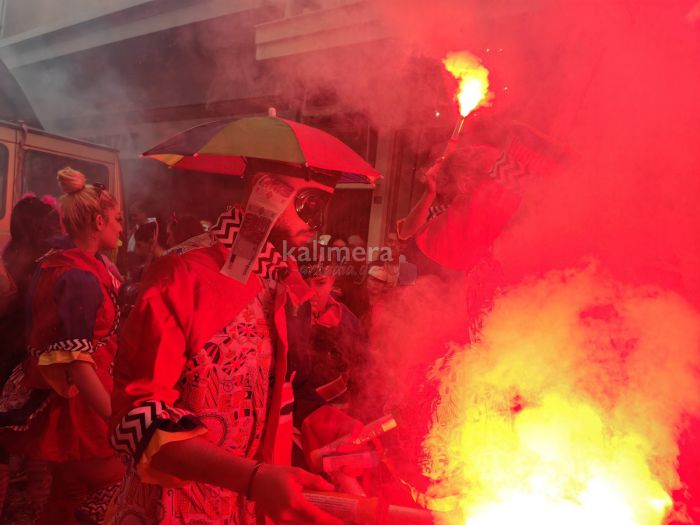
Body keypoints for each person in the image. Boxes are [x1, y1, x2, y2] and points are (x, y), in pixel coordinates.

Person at [109, 159, 361, 525]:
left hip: (254, 508)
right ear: (263, 190)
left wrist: (317, 418)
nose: (318, 223)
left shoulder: (284, 282)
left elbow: (278, 389)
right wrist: (251, 478)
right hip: (175, 507)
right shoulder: (183, 273)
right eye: (308, 205)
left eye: (324, 207)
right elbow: (135, 417)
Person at [0, 167, 125, 524]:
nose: (121, 228)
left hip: (78, 393)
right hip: (81, 399)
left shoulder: (66, 264)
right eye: (117, 219)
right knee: (114, 475)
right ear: (99, 221)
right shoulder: (77, 275)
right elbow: (77, 362)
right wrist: (116, 418)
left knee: (68, 489)